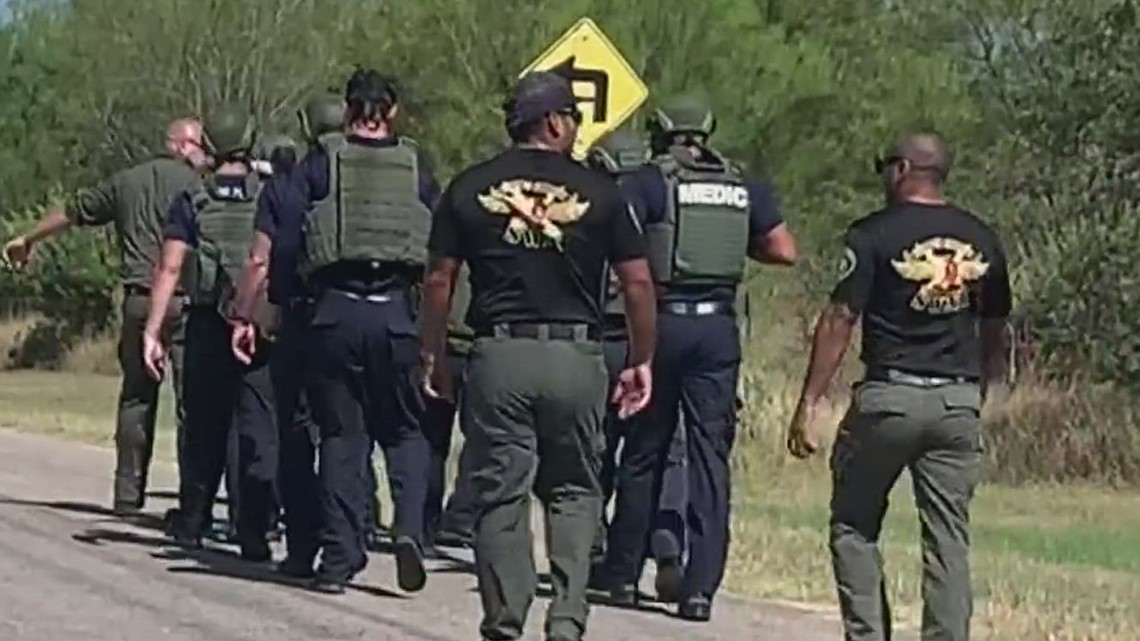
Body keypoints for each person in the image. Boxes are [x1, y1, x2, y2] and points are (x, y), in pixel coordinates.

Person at [419, 70, 657, 641]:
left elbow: (438, 280)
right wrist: (641, 357)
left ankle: (505, 618)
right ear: (553, 121)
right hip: (577, 356)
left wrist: (433, 352)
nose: (575, 128)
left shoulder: (470, 187)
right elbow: (639, 283)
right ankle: (568, 617)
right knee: (575, 488)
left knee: (501, 489)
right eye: (571, 118)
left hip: (498, 355)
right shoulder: (602, 192)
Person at [787, 134, 1011, 641]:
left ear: (903, 169)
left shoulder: (872, 234)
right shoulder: (982, 236)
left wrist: (811, 401)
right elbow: (996, 323)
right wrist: (982, 392)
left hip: (890, 397)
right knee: (948, 538)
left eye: (884, 167)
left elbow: (841, 317)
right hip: (957, 400)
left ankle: (868, 634)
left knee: (853, 524)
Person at [604, 96, 798, 621]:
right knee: (711, 459)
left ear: (662, 132)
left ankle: (622, 574)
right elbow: (784, 250)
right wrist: (735, 249)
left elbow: (615, 238)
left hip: (663, 322)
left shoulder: (647, 182)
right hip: (717, 327)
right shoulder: (742, 185)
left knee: (644, 449)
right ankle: (700, 590)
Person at [254, 69, 440, 595]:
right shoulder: (417, 166)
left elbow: (286, 241)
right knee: (405, 431)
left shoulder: (319, 165)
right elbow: (441, 240)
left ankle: (338, 560)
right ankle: (408, 529)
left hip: (334, 315)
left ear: (348, 109)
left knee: (342, 436)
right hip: (399, 313)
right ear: (393, 111)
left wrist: (284, 301)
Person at [2, 119, 206, 516]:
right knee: (193, 403)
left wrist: (28, 238)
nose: (206, 153)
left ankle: (128, 495)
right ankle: (194, 503)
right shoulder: (200, 186)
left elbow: (75, 210)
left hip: (138, 299)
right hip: (186, 301)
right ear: (184, 145)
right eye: (201, 144)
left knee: (136, 396)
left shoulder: (127, 181)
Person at [142, 105, 279, 562]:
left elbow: (170, 266)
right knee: (255, 425)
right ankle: (253, 529)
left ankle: (194, 520)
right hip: (257, 320)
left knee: (203, 425)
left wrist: (153, 329)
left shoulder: (194, 198)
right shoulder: (269, 194)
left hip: (204, 321)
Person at [231, 93, 343, 578]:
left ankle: (301, 543)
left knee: (294, 433)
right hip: (354, 315)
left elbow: (258, 259)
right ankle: (348, 535)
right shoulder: (380, 175)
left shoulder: (286, 187)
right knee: (344, 432)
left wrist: (245, 315)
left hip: (296, 319)